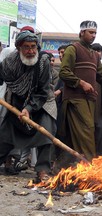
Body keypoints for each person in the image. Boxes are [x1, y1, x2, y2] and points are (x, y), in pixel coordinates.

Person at [58, 20, 102, 162]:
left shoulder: (94, 55)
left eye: (95, 33)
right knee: (87, 129)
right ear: (82, 32)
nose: (93, 36)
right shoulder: (73, 49)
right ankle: (90, 165)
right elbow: (63, 72)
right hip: (75, 98)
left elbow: (101, 77)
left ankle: (71, 165)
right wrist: (81, 83)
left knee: (85, 131)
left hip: (90, 99)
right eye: (91, 32)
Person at [0, 30, 57, 182]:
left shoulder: (43, 61)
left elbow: (43, 91)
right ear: (19, 48)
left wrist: (29, 109)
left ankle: (43, 170)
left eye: (33, 46)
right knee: (5, 135)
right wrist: (22, 109)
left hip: (42, 103)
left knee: (46, 133)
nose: (31, 51)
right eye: (26, 47)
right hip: (17, 104)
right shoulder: (9, 63)